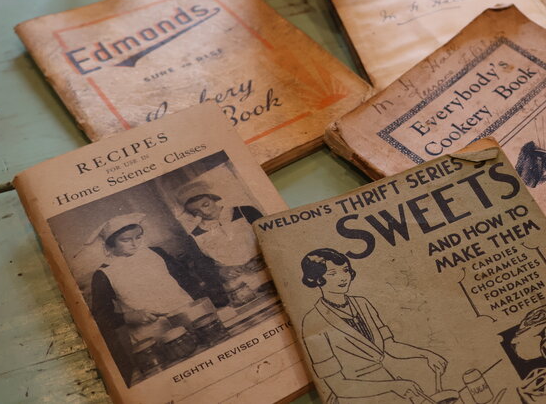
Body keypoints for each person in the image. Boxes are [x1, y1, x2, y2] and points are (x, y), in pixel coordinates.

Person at [299, 248, 447, 404]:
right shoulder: (312, 321)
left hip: (390, 388)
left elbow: (389, 346)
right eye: (332, 274)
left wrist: (426, 354)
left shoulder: (362, 303)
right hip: (355, 397)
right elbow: (338, 385)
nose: (343, 278)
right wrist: (393, 386)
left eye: (345, 270)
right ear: (316, 279)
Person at [88, 213, 204, 382]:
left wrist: (199, 305)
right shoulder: (104, 274)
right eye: (126, 240)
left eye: (139, 237)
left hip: (189, 318)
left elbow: (186, 279)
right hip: (151, 336)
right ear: (111, 243)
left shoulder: (156, 253)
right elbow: (101, 316)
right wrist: (127, 316)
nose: (135, 243)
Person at [175, 171, 270, 296]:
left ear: (213, 198)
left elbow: (275, 237)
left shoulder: (246, 211)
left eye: (206, 205)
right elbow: (203, 269)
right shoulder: (194, 237)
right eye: (196, 211)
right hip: (240, 289)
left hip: (270, 272)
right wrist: (220, 272)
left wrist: (264, 257)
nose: (205, 212)